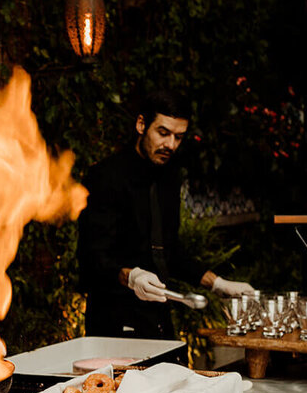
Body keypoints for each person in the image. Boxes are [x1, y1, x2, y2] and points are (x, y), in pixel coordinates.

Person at [78, 91, 256, 338]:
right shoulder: (106, 177)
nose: (170, 145)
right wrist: (131, 276)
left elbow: (170, 251)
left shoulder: (169, 176)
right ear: (141, 125)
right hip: (112, 322)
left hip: (158, 317)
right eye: (163, 133)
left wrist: (217, 284)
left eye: (178, 137)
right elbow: (92, 256)